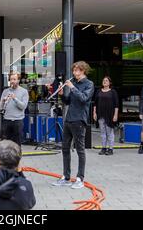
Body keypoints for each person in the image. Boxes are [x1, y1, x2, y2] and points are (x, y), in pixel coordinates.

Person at [52, 61, 94, 189]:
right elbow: (68, 101)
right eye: (74, 70)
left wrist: (72, 87)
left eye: (77, 70)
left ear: (83, 71)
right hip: (69, 119)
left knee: (80, 150)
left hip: (79, 120)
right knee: (65, 148)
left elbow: (83, 99)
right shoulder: (74, 83)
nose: (74, 73)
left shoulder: (89, 84)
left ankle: (80, 178)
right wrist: (61, 95)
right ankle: (66, 176)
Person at [0, 71, 29, 148]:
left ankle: (17, 159)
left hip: (18, 121)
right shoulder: (5, 91)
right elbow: (0, 107)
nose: (12, 81)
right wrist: (3, 101)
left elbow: (23, 106)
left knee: (17, 145)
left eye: (14, 79)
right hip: (6, 121)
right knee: (4, 145)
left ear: (18, 80)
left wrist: (15, 98)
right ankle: (5, 159)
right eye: (11, 79)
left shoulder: (24, 91)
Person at [93, 76, 119, 155]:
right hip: (100, 114)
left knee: (109, 132)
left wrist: (115, 115)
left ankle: (110, 149)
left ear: (109, 83)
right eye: (103, 80)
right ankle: (103, 148)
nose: (104, 81)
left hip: (110, 115)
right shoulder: (98, 91)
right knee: (102, 132)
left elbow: (116, 105)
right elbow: (95, 104)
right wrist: (94, 113)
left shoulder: (113, 92)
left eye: (106, 80)